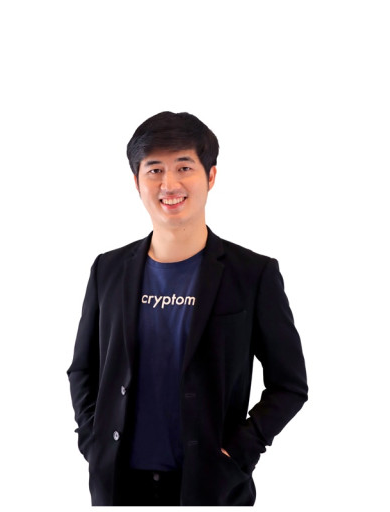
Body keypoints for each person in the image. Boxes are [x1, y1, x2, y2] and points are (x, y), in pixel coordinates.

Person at [67, 111, 308, 506]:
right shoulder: (108, 270)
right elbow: (83, 369)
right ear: (136, 181)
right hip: (119, 487)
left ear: (210, 176)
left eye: (184, 167)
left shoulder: (252, 274)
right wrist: (93, 442)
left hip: (210, 486)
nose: (169, 184)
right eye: (155, 170)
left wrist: (239, 451)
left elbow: (290, 385)